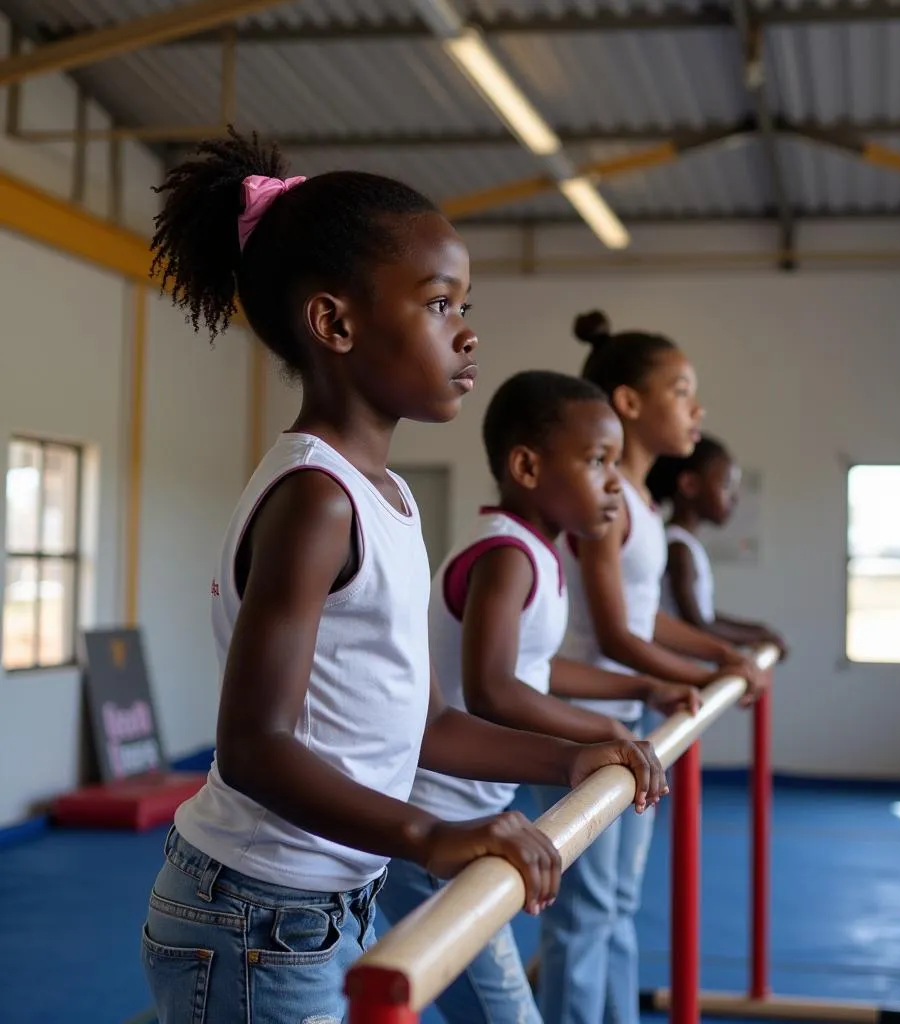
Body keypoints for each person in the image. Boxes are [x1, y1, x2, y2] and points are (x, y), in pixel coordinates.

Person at [140, 131, 668, 1024]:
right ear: (334, 323)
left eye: (464, 303)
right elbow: (254, 746)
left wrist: (572, 757)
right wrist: (434, 833)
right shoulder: (316, 500)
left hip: (322, 904)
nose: (466, 331)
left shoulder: (386, 498)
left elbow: (423, 726)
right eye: (436, 304)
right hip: (256, 912)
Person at [377, 370, 697, 1024]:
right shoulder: (505, 556)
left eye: (615, 462)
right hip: (437, 819)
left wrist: (641, 687)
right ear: (526, 466)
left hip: (469, 815)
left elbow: (539, 672)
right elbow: (495, 689)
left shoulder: (536, 555)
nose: (614, 481)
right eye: (595, 461)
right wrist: (596, 728)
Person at [532, 312, 770, 1024]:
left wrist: (718, 655)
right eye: (681, 391)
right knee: (588, 907)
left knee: (619, 901)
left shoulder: (637, 501)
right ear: (630, 403)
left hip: (626, 715)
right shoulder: (606, 501)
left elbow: (643, 620)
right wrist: (690, 674)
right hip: (586, 713)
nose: (697, 409)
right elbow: (615, 633)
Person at [647, 436, 788, 657]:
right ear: (690, 485)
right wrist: (755, 637)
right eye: (725, 486)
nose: (734, 499)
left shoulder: (686, 544)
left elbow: (705, 615)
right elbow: (697, 624)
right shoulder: (678, 548)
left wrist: (758, 631)